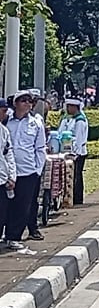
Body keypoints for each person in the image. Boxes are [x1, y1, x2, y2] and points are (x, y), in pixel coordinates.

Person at [6, 90, 46, 247]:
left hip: (27, 170)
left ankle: (14, 236)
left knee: (23, 205)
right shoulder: (7, 121)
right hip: (8, 171)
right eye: (23, 101)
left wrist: (37, 170)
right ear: (16, 104)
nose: (27, 104)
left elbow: (40, 148)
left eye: (29, 101)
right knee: (6, 204)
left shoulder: (36, 123)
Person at [58, 98, 90, 205]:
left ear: (75, 107)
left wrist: (76, 153)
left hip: (78, 153)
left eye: (69, 107)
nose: (67, 109)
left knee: (76, 176)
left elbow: (79, 139)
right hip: (70, 152)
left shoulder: (80, 121)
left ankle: (78, 199)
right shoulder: (70, 119)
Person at [0, 99, 16, 244]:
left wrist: (12, 176)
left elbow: (8, 154)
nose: (5, 115)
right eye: (3, 111)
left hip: (2, 179)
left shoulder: (4, 131)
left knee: (2, 214)